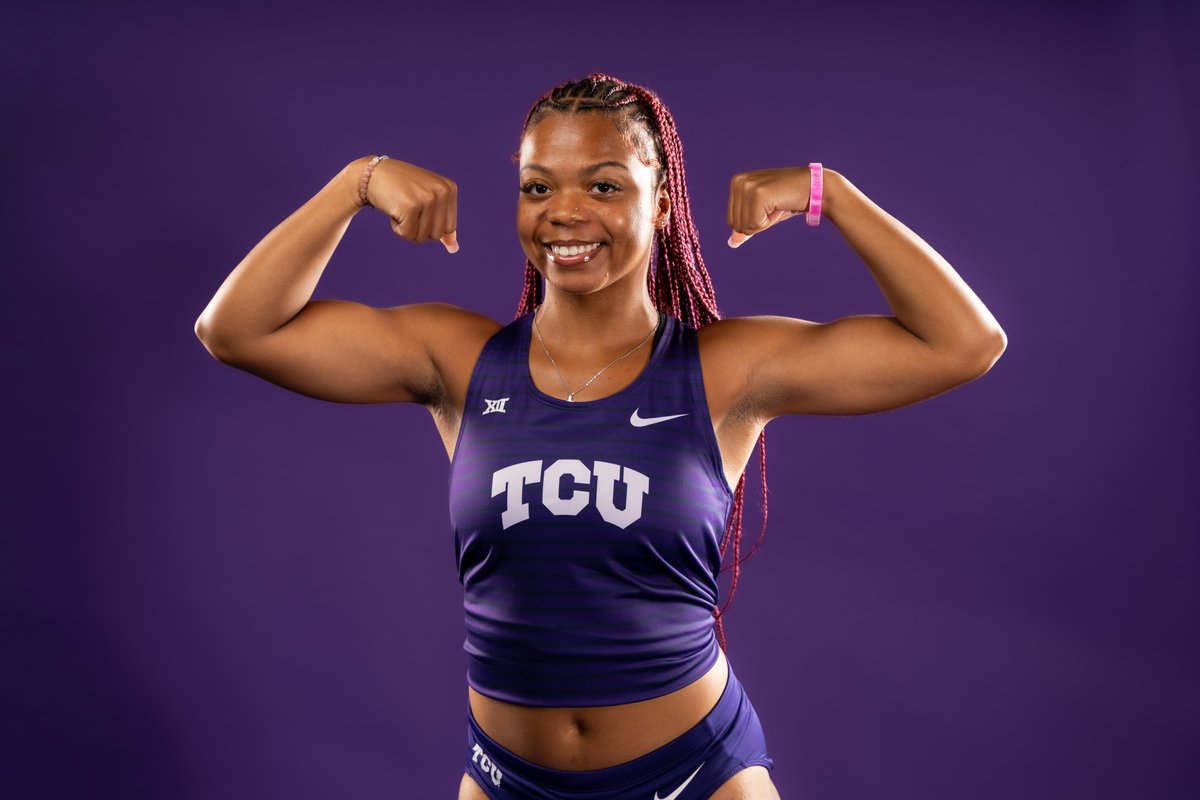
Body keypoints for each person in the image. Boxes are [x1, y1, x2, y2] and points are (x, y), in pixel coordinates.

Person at [194, 73, 1006, 800]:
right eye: (537, 185)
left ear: (662, 202)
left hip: (693, 772)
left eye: (606, 185)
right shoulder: (460, 359)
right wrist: (355, 184)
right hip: (508, 777)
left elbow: (963, 343)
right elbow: (236, 330)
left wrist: (836, 197)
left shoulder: (724, 369)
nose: (566, 213)